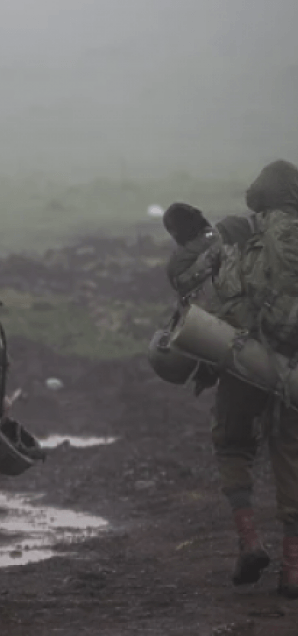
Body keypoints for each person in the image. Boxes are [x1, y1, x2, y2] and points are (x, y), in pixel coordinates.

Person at [166, 161, 298, 598]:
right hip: (293, 367)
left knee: (232, 445)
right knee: (291, 457)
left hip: (244, 360)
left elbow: (184, 278)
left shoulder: (238, 231)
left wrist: (195, 237)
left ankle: (249, 540)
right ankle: (293, 569)